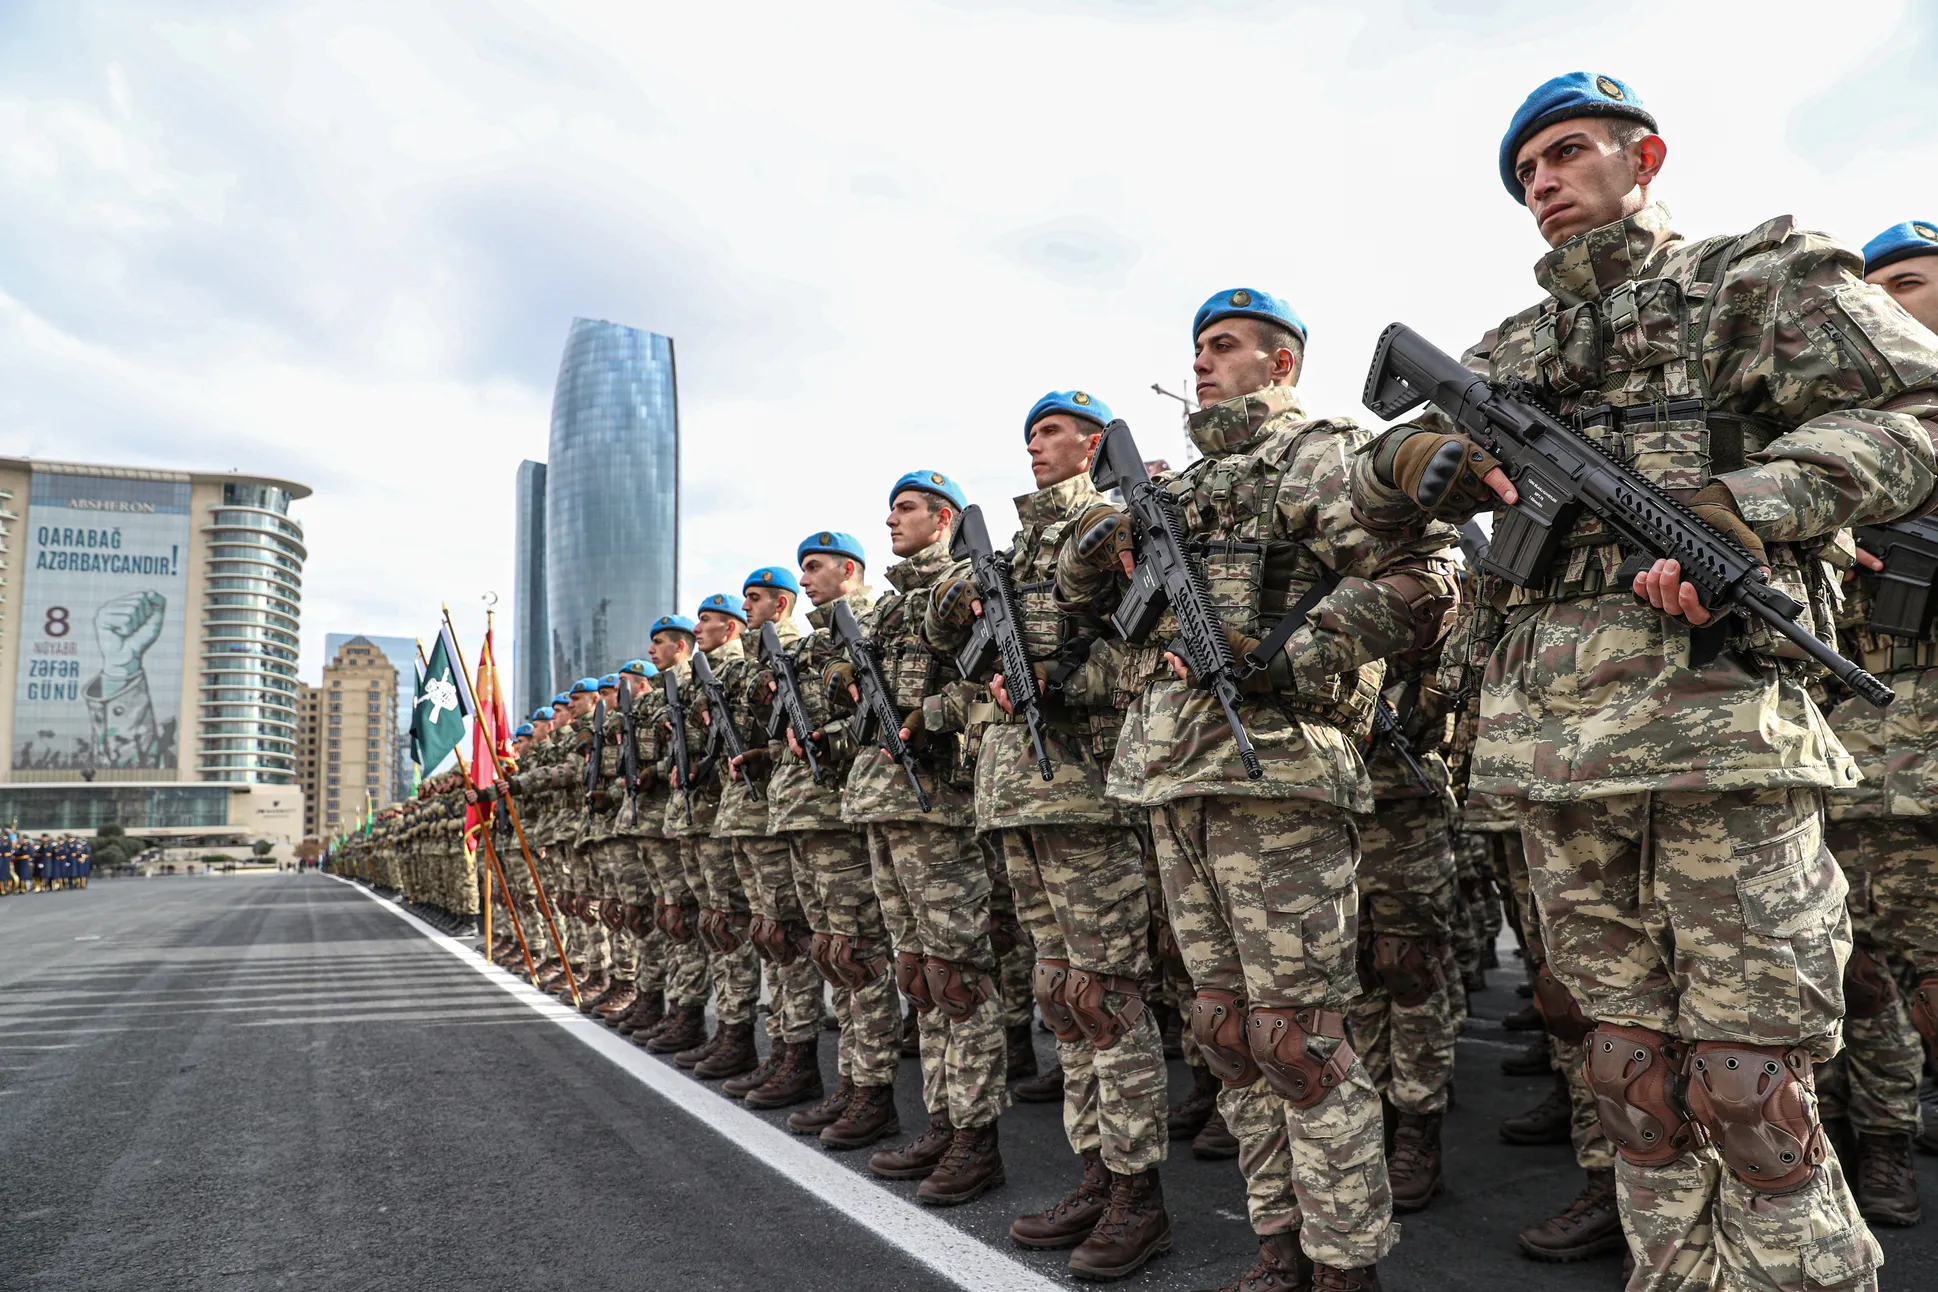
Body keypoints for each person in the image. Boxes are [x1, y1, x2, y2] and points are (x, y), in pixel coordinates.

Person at [1352, 72, 1938, 1290]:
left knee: (1753, 1094)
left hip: (1721, 734)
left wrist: (1745, 508)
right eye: (1527, 174)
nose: (1546, 183)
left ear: (1646, 155)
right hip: (1554, 760)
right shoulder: (1508, 347)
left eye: (1567, 154)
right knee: (1627, 1081)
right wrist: (1422, 456)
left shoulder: (1754, 282)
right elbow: (1375, 477)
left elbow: (1913, 409)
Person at [1059, 288, 1458, 1291]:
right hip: (1173, 778)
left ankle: (1343, 1263)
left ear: (1282, 365)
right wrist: (1105, 535)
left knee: (1300, 1040)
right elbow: (1082, 590)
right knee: (1229, 1034)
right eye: (1197, 345)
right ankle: (1278, 1242)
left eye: (1226, 346)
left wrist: (1288, 654)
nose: (1203, 361)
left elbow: (1429, 576)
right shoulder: (1182, 486)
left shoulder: (1314, 453)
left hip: (1276, 774)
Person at [928, 390, 1171, 1277]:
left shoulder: (1115, 524)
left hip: (1087, 791)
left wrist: (1066, 680)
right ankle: (1096, 1173)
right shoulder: (1018, 546)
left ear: (1095, 443)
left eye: (1054, 431)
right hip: (1019, 794)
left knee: (1109, 998)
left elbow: (1154, 641)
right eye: (1030, 433)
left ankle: (1139, 1195)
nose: (1037, 445)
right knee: (1066, 998)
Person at [826, 469, 1010, 1206]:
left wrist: (929, 716)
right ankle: (942, 1118)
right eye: (891, 508)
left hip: (936, 803)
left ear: (945, 520)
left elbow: (996, 677)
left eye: (906, 509)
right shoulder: (895, 604)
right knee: (922, 975)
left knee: (959, 976)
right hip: (884, 803)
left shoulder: (966, 584)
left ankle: (976, 1137)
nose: (892, 518)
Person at [1806, 216, 1938, 1227]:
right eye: (1879, 285)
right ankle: (1874, 1139)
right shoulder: (1836, 442)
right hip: (1848, 746)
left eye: (1913, 280)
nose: (1892, 301)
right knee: (1858, 970)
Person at [770, 531, 905, 1150]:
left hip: (843, 810)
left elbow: (885, 709)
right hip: (822, 808)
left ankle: (874, 1091)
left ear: (848, 569)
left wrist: (829, 732)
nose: (805, 579)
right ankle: (852, 1081)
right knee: (833, 951)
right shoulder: (823, 642)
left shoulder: (877, 620)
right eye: (801, 569)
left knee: (857, 952)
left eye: (815, 567)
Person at [716, 566, 827, 1109]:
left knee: (796, 938)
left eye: (754, 600)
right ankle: (780, 1051)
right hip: (763, 809)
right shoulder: (755, 665)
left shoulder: (798, 653)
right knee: (770, 934)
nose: (746, 610)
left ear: (780, 606)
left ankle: (798, 1057)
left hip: (796, 811)